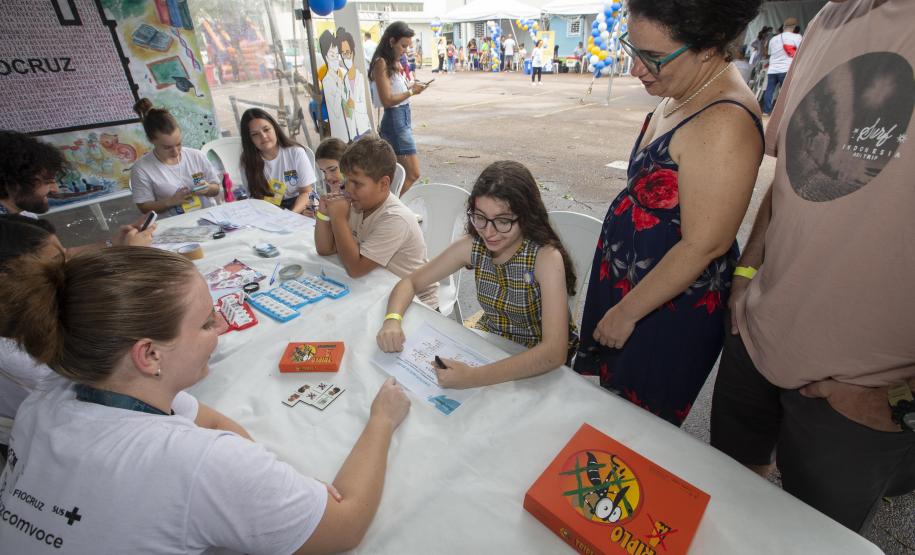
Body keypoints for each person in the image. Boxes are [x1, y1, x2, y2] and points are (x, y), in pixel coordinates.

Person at [0, 246, 411, 553]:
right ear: (149, 355)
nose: (220, 326)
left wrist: (262, 488)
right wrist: (381, 420)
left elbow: (211, 422)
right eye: (204, 323)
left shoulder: (51, 395)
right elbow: (346, 526)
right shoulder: (194, 463)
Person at [711, 0, 915, 534]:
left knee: (809, 540)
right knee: (730, 505)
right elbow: (790, 182)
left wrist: (900, 397)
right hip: (755, 338)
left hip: (863, 390)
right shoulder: (830, 18)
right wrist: (746, 274)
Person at [572, 0, 764, 425]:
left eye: (653, 58)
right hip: (638, 284)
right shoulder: (685, 88)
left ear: (710, 46)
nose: (636, 69)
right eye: (633, 49)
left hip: (663, 306)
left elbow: (704, 243)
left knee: (638, 428)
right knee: (613, 410)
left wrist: (627, 311)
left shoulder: (724, 121)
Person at [0, 216, 224, 465]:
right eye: (56, 263)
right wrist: (127, 274)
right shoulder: (45, 370)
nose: (70, 266)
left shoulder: (45, 396)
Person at [377, 161, 579, 390]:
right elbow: (410, 282)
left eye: (503, 221)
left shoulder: (545, 258)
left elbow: (554, 352)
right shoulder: (473, 246)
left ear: (526, 216)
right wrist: (392, 320)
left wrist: (474, 377)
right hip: (492, 345)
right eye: (480, 217)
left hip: (536, 361)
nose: (489, 232)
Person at [314, 134, 437, 307]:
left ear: (384, 184)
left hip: (416, 303)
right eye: (347, 180)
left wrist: (339, 218)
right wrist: (323, 214)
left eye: (357, 183)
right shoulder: (359, 204)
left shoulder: (395, 219)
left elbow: (355, 268)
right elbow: (325, 249)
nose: (348, 189)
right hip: (378, 288)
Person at [0, 130, 154, 250]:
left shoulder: (24, 213)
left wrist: (113, 243)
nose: (54, 188)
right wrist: (130, 252)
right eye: (46, 182)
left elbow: (63, 256)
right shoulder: (8, 237)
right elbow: (56, 276)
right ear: (13, 184)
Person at [130, 99, 221, 217]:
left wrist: (208, 188)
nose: (175, 152)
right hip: (174, 225)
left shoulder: (196, 156)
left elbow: (216, 188)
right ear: (151, 140)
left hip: (208, 216)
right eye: (167, 147)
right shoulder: (141, 168)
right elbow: (144, 207)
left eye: (178, 144)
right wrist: (170, 201)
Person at [369, 21, 429, 195]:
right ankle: (392, 207)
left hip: (401, 118)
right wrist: (411, 91)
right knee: (412, 173)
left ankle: (391, 208)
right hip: (395, 119)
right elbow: (387, 99)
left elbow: (394, 91)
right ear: (391, 42)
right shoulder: (381, 62)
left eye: (408, 46)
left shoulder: (391, 62)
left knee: (399, 174)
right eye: (403, 45)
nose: (405, 50)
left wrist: (411, 86)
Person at [239, 108, 316, 215]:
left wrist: (291, 215)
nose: (263, 136)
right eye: (255, 134)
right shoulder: (247, 162)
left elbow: (306, 192)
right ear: (249, 139)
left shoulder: (295, 153)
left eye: (266, 129)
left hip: (299, 206)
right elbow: (255, 200)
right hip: (269, 210)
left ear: (275, 128)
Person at [762, 17, 802, 115]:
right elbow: (801, 52)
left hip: (772, 70)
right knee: (786, 93)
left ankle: (766, 112)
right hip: (786, 69)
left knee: (769, 90)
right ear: (794, 27)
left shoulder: (773, 39)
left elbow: (769, 53)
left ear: (783, 27)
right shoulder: (797, 37)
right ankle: (783, 113)